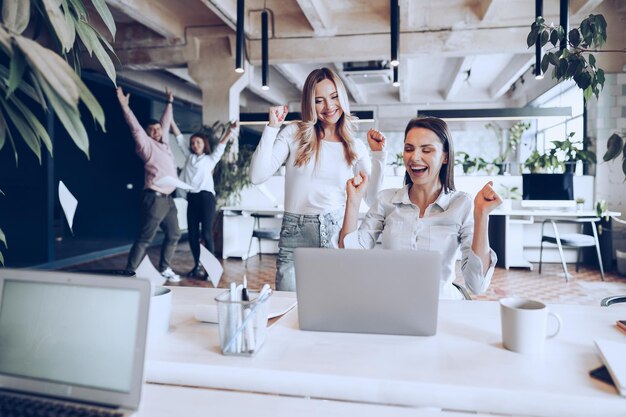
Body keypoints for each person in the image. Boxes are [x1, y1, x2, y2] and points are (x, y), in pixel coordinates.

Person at [249, 67, 387, 291]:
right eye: (319, 100)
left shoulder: (355, 146)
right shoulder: (294, 134)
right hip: (295, 233)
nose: (329, 106)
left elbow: (372, 199)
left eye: (334, 97)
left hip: (337, 233)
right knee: (288, 308)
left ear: (342, 97)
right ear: (309, 104)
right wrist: (272, 128)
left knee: (333, 309)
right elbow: (257, 176)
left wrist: (379, 156)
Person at [337, 117, 500, 299]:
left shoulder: (461, 204)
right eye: (409, 149)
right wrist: (353, 200)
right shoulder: (386, 200)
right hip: (394, 304)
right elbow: (350, 257)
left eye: (426, 150)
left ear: (445, 156)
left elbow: (476, 285)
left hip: (443, 306)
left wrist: (482, 215)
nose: (414, 157)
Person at [117, 86, 182, 282]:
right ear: (146, 134)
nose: (155, 131)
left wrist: (169, 102)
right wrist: (124, 106)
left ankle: (165, 268)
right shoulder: (146, 146)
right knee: (145, 237)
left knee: (174, 234)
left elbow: (166, 121)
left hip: (169, 199)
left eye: (157, 129)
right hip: (154, 198)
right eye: (151, 130)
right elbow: (135, 127)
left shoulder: (165, 144)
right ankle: (129, 271)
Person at [171, 119, 239, 278]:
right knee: (193, 235)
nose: (195, 145)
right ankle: (197, 265)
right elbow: (179, 137)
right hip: (192, 198)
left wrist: (230, 130)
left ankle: (211, 269)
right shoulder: (189, 157)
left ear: (204, 144)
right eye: (193, 143)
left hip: (206, 198)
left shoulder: (210, 159)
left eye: (198, 142)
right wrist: (171, 118)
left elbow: (222, 145)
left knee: (207, 234)